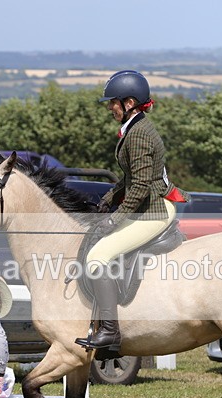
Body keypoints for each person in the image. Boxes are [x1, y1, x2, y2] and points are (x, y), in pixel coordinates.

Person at [74, 70, 189, 351]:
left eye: (113, 102)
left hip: (154, 210)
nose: (110, 108)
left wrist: (114, 219)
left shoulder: (138, 135)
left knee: (98, 257)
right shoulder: (135, 128)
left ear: (130, 102)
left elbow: (138, 187)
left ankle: (111, 331)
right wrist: (108, 197)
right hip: (147, 204)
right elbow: (130, 178)